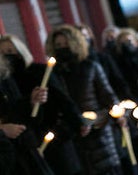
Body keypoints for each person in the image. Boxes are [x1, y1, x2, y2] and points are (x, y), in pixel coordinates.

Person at [1, 34, 84, 175]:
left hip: (51, 135)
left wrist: (78, 122)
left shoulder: (37, 71)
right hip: (22, 145)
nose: (7, 57)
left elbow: (63, 100)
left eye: (10, 51)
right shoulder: (7, 79)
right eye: (2, 53)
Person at [49, 24, 122, 175]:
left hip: (99, 135)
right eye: (58, 45)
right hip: (74, 139)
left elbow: (109, 98)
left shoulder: (91, 67)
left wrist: (94, 121)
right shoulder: (53, 74)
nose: (62, 48)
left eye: (66, 43)